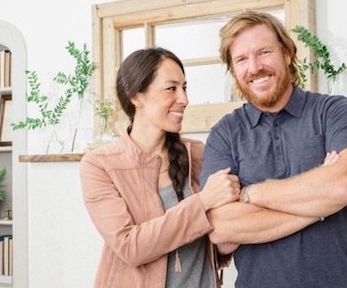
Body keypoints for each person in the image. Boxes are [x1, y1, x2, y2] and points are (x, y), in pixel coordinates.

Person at [201, 11, 347, 287]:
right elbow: (221, 229)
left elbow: (346, 186)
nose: (254, 67)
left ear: (286, 54)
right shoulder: (225, 133)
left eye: (264, 52)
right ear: (233, 69)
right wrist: (321, 205)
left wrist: (250, 193)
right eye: (241, 59)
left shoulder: (332, 111)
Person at [80, 47, 241, 288]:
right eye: (171, 88)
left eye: (184, 88)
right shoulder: (99, 165)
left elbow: (222, 233)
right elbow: (130, 247)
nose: (184, 99)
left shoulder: (198, 154)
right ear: (136, 96)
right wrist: (203, 202)